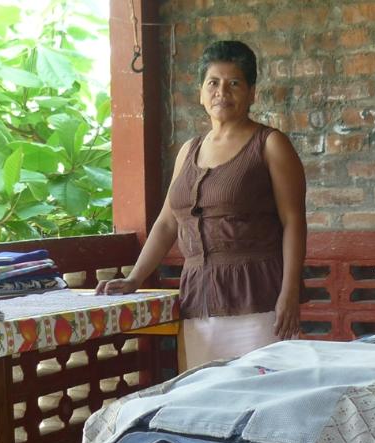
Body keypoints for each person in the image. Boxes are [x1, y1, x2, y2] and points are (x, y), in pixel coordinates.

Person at [96, 40, 307, 370]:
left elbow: (294, 221)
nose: (222, 92)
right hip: (198, 298)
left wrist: (289, 293)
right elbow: (167, 223)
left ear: (251, 93)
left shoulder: (269, 144)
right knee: (204, 394)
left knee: (260, 393)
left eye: (234, 83)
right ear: (200, 93)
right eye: (213, 83)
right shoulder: (188, 151)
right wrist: (135, 278)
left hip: (257, 300)